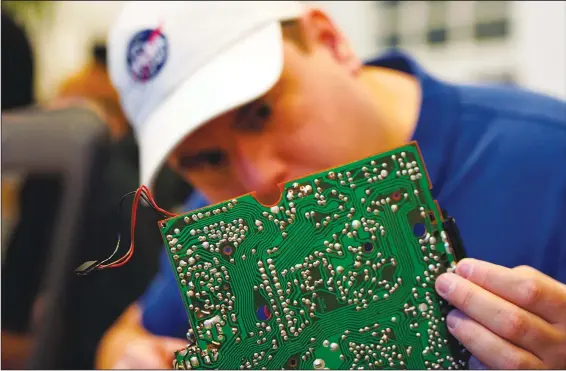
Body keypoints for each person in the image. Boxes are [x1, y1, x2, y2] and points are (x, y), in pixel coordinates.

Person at [98, 2, 566, 369]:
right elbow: (128, 335)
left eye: (259, 114)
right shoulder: (227, 225)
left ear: (332, 40)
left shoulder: (549, 156)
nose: (258, 179)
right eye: (208, 159)